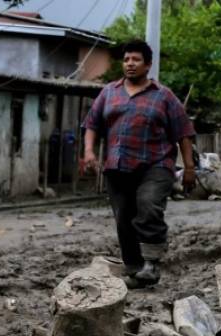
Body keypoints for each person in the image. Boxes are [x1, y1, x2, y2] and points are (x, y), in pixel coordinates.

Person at [83, 39, 196, 288]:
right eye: (126, 60)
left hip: (155, 165)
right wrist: (89, 152)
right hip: (117, 166)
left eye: (136, 60)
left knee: (148, 205)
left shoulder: (164, 96)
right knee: (124, 217)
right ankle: (135, 270)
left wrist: (189, 168)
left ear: (148, 65)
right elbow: (91, 124)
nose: (130, 64)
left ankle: (152, 263)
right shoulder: (109, 92)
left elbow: (184, 133)